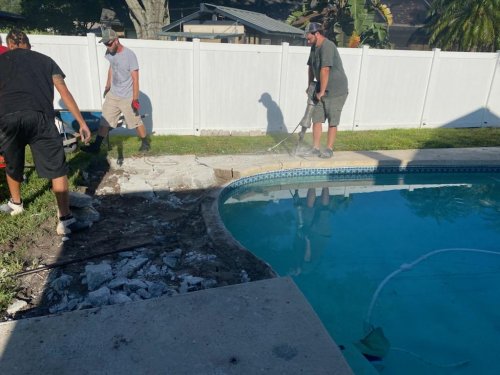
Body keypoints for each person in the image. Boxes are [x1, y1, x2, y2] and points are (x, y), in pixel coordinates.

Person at [0, 29, 92, 235]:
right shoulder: (45, 60)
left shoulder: (1, 60)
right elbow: (64, 91)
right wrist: (81, 122)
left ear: (9, 45)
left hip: (7, 118)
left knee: (12, 162)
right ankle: (65, 221)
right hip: (40, 117)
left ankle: (16, 204)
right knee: (56, 166)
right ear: (29, 45)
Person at [83, 28, 150, 153]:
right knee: (105, 121)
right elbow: (111, 68)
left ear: (116, 40)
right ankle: (96, 147)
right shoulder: (109, 53)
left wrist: (135, 98)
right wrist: (107, 86)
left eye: (109, 43)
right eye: (105, 44)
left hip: (127, 96)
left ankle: (145, 143)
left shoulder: (129, 55)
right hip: (113, 94)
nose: (107, 46)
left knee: (135, 122)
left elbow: (135, 79)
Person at [303, 22, 348, 159]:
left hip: (336, 91)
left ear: (317, 34)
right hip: (320, 89)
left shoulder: (327, 46)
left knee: (332, 120)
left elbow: (325, 69)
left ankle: (329, 149)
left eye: (309, 37)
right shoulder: (314, 47)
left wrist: (321, 91)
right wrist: (311, 85)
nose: (307, 40)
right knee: (317, 118)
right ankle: (316, 148)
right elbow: (311, 67)